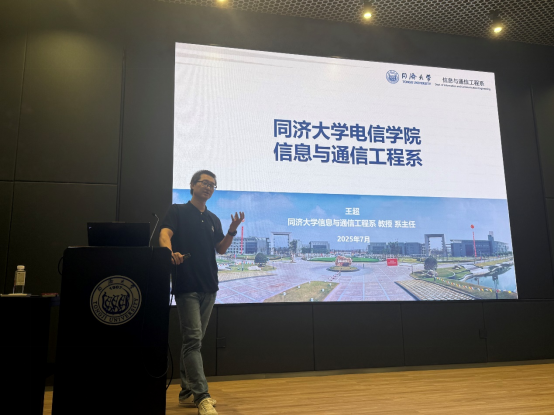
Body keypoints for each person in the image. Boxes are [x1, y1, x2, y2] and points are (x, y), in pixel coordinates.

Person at [159, 170, 244, 416]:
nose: (209, 187)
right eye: (205, 183)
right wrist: (169, 253)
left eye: (213, 185)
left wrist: (232, 230)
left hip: (210, 286)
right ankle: (202, 397)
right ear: (193, 185)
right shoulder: (177, 211)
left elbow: (221, 249)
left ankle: (186, 392)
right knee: (194, 340)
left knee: (192, 341)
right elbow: (164, 234)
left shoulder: (213, 218)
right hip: (187, 285)